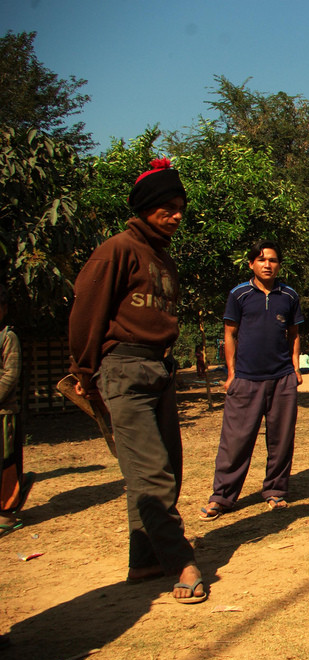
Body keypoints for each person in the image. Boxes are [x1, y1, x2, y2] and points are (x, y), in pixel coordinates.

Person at [68, 158, 205, 603]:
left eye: (180, 206)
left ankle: (144, 559)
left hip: (160, 369)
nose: (177, 215)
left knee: (163, 469)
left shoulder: (162, 257)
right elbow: (86, 314)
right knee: (152, 474)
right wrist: (86, 375)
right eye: (167, 207)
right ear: (145, 206)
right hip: (122, 371)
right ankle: (182, 561)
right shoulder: (116, 250)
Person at [200, 241, 304, 520]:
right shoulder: (239, 294)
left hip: (282, 379)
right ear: (251, 265)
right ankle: (222, 497)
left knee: (281, 440)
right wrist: (232, 373)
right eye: (261, 260)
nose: (267, 264)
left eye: (272, 260)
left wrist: (294, 368)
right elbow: (229, 334)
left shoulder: (289, 295)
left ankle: (275, 491)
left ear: (279, 264)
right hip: (245, 379)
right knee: (235, 441)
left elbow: (294, 334)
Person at [0, 285, 33, 538]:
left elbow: (10, 374)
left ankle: (6, 513)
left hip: (4, 412)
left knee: (6, 462)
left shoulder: (8, 337)